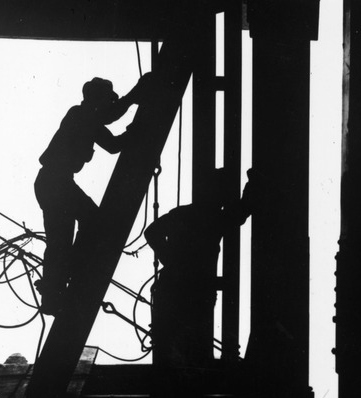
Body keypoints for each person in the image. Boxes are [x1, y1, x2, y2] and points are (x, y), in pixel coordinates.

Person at [34, 76, 150, 315]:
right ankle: (64, 277)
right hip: (56, 182)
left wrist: (131, 105)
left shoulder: (84, 116)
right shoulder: (81, 114)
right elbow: (110, 129)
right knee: (88, 223)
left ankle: (55, 289)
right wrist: (133, 100)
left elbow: (112, 142)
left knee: (62, 239)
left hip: (54, 182)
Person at [144, 168, 254, 369]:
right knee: (193, 353)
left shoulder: (184, 213)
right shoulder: (214, 219)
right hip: (196, 294)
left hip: (172, 289)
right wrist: (253, 180)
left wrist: (169, 259)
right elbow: (242, 209)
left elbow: (151, 232)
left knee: (169, 354)